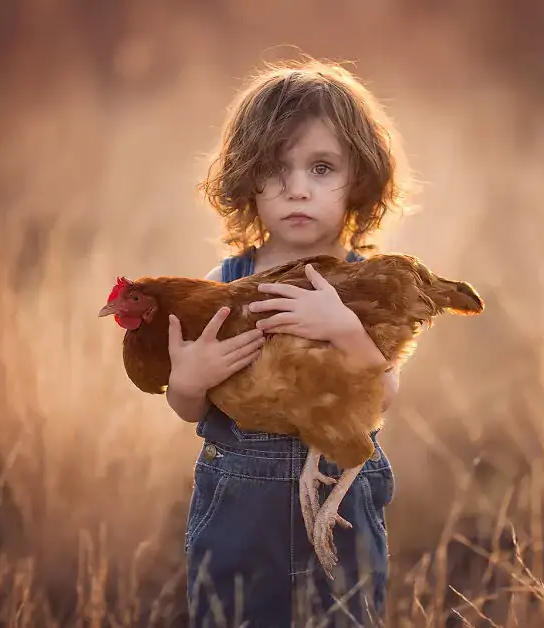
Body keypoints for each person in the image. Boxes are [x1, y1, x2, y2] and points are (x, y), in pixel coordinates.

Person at [165, 58, 410, 627]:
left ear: (360, 181)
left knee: (344, 616)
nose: (297, 189)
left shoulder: (365, 285)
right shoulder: (222, 284)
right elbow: (186, 407)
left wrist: (344, 328)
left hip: (340, 497)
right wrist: (189, 380)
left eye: (322, 168)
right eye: (276, 170)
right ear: (249, 178)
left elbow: (385, 395)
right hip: (238, 504)